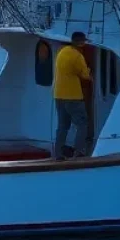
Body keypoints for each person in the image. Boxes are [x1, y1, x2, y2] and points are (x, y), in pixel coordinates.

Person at [53, 31, 92, 160]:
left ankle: (57, 154)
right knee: (82, 123)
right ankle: (78, 152)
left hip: (59, 95)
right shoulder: (77, 56)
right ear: (81, 42)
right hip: (73, 96)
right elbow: (85, 75)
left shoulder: (62, 52)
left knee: (62, 126)